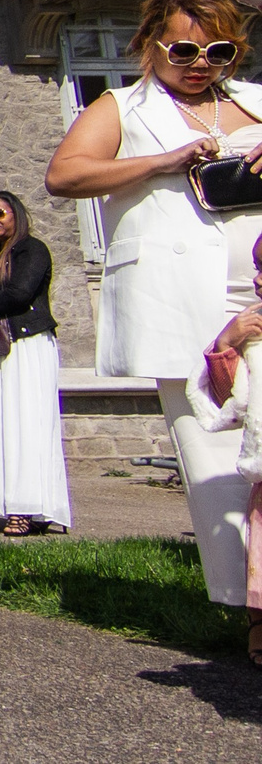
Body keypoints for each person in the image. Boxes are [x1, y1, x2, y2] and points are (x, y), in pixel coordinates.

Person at [46, 0, 262, 615]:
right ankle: (249, 610)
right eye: (185, 49)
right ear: (150, 45)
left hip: (260, 285)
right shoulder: (123, 106)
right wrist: (164, 162)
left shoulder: (253, 101)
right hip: (183, 303)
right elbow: (65, 175)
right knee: (216, 452)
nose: (200, 63)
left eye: (218, 51)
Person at [0, 190, 69, 538]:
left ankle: (27, 509)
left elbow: (20, 293)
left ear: (16, 215)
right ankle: (5, 504)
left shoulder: (31, 249)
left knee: (28, 425)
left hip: (26, 345)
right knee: (1, 424)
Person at [187, 233, 262, 667]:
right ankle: (260, 624)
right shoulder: (252, 329)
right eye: (255, 267)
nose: (256, 279)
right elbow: (228, 399)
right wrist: (226, 345)